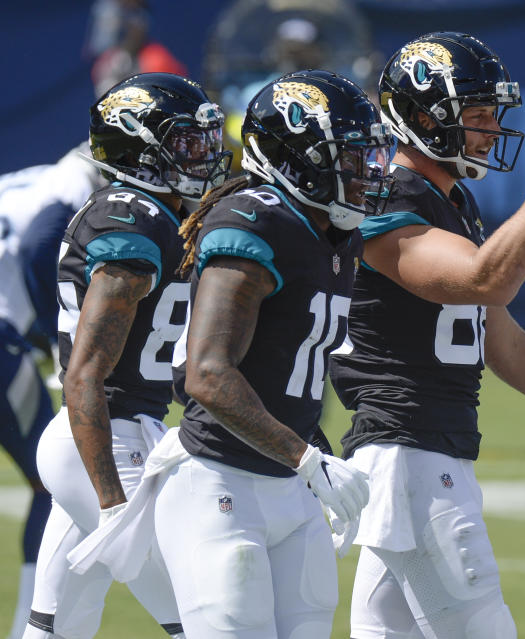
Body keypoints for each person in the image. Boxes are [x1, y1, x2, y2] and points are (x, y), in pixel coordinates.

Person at [328, 32, 525, 639]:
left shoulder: (452, 202)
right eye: (476, 116)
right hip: (411, 457)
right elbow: (487, 278)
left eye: (492, 115)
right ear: (420, 119)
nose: (490, 130)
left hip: (423, 456)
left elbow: (501, 339)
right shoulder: (388, 197)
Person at [147, 69, 389, 639]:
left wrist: (319, 456)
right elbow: (207, 374)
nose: (367, 175)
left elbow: (290, 367)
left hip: (291, 488)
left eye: (369, 158)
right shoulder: (253, 222)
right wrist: (308, 458)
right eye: (350, 160)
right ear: (298, 158)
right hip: (219, 484)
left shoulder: (334, 230)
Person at [25, 72, 231, 639]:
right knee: (207, 617)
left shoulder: (159, 214)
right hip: (105, 440)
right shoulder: (130, 217)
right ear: (141, 150)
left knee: (56, 625)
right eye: (188, 141)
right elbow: (86, 373)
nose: (205, 154)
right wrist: (113, 501)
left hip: (109, 434)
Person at [0, 147, 104, 639]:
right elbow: (40, 243)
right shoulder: (70, 182)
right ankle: (29, 627)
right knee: (54, 481)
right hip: (2, 342)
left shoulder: (23, 178)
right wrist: (54, 332)